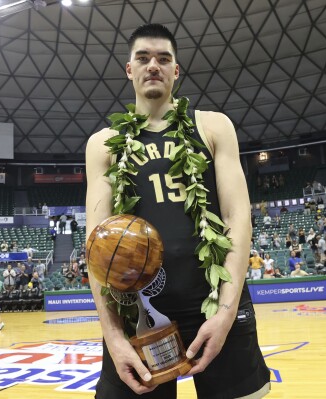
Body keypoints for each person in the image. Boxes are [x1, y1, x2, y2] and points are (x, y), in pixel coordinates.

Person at [85, 24, 269, 398]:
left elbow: (238, 217)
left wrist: (225, 315)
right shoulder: (103, 145)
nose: (153, 65)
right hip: (139, 317)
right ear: (129, 69)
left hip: (215, 303)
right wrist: (114, 337)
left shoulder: (213, 126)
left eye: (163, 59)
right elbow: (97, 250)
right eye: (143, 58)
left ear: (176, 70)